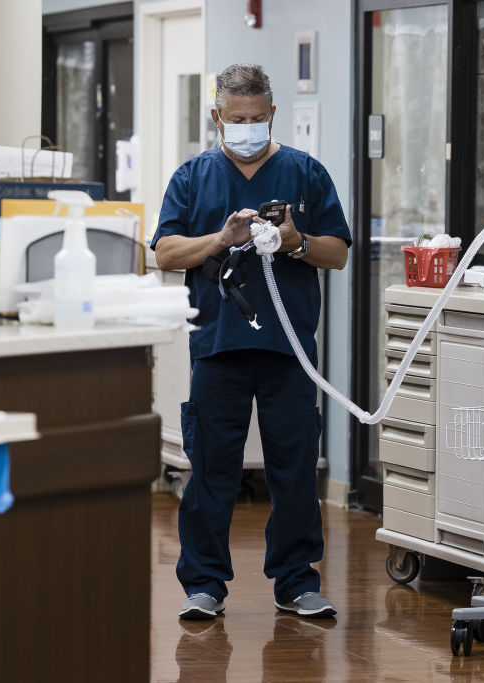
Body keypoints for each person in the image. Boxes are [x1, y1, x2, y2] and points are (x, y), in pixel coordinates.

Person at [150, 63, 351, 621]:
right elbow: (164, 253)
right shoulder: (194, 177)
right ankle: (205, 585)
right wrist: (220, 239)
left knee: (294, 469)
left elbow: (337, 251)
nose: (246, 127)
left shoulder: (304, 172)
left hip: (289, 351)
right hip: (218, 347)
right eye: (236, 119)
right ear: (217, 117)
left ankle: (296, 581)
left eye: (257, 119)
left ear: (272, 114)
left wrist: (294, 240)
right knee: (212, 471)